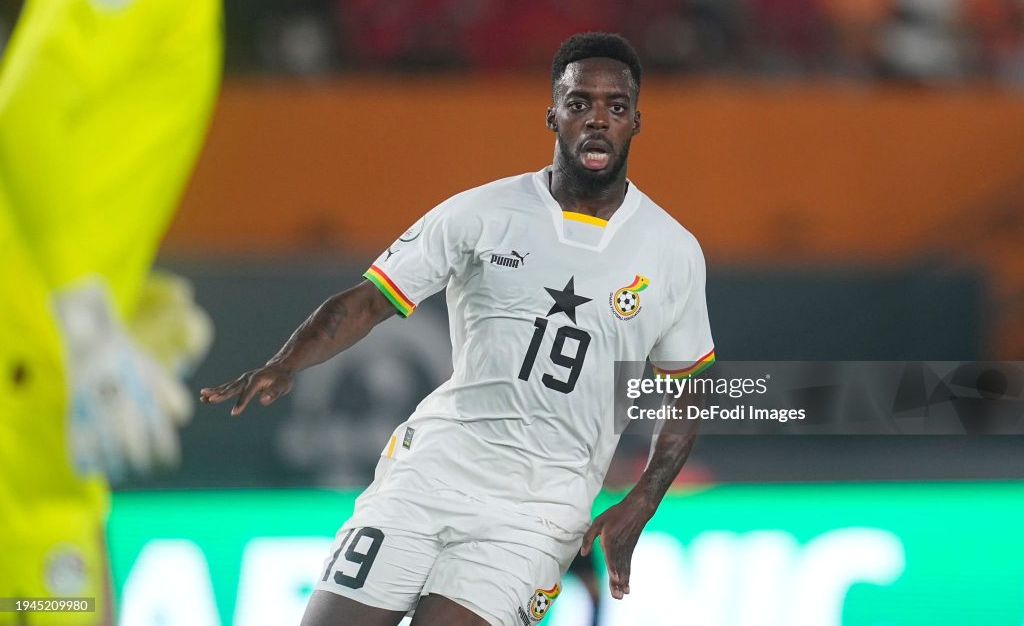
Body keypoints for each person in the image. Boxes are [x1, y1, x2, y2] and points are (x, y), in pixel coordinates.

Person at [202, 32, 715, 626]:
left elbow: (691, 390)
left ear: (636, 121)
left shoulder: (673, 252)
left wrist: (643, 500)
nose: (597, 120)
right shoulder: (481, 213)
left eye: (615, 107)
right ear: (552, 113)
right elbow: (368, 302)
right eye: (579, 104)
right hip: (433, 472)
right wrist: (286, 361)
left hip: (540, 509)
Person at [0, 0, 222, 623]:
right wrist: (85, 312)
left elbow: (73, 156)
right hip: (30, 356)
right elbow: (25, 114)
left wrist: (120, 291)